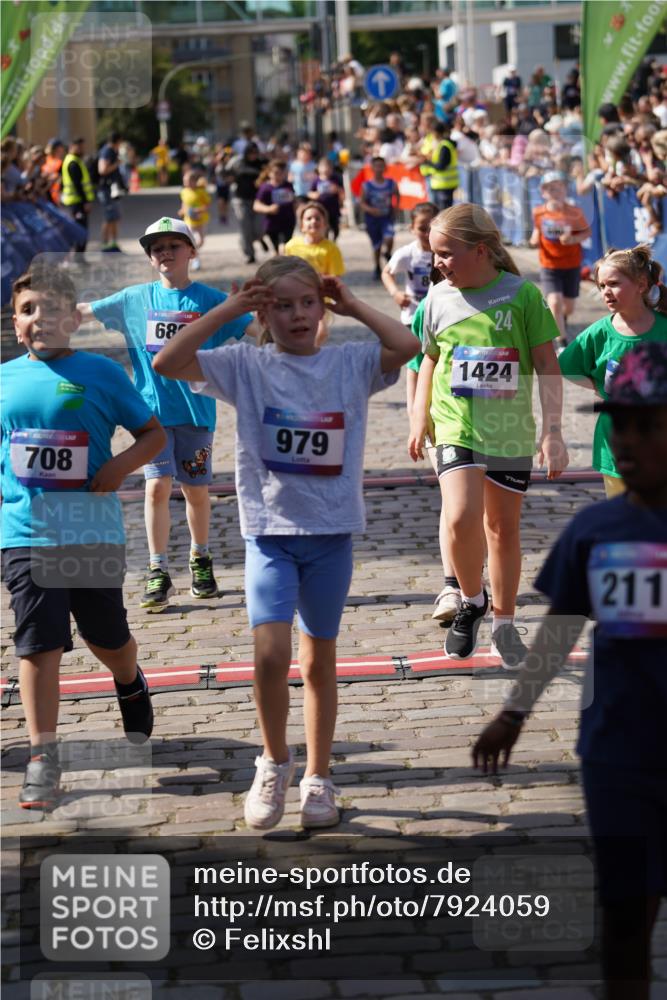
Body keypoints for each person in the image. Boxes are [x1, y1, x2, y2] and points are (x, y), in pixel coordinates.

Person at [152, 257, 419, 830]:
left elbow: (408, 344)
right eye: (282, 305)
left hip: (330, 535)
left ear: (322, 307)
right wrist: (228, 309)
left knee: (319, 662)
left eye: (307, 303)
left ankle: (319, 776)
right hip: (270, 535)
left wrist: (353, 306)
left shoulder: (350, 362)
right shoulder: (245, 365)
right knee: (270, 658)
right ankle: (273, 761)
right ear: (264, 312)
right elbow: (167, 361)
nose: (297, 315)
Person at [472, 341, 667, 1000]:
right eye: (619, 422)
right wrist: (512, 713)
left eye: (649, 424)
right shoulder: (596, 529)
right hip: (617, 752)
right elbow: (558, 630)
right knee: (624, 918)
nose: (629, 439)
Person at [2, 265, 166, 810]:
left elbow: (153, 434)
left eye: (50, 309)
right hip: (25, 529)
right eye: (27, 310)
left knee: (106, 637)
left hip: (89, 526)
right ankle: (43, 758)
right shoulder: (3, 378)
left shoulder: (101, 372)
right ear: (15, 321)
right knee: (38, 640)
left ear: (73, 319)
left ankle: (129, 680)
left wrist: (120, 467)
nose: (38, 319)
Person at [408, 203, 568, 666]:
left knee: (501, 529)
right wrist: (419, 415)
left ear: (480, 250)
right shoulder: (437, 298)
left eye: (446, 253)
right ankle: (470, 598)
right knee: (459, 517)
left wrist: (554, 432)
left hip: (511, 429)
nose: (438, 262)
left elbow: (547, 366)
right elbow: (429, 360)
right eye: (435, 253)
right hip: (456, 422)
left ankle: (502, 621)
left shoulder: (523, 296)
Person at [77, 217, 256, 611]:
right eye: (156, 247)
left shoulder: (209, 300)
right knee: (156, 486)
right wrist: (48, 312)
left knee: (195, 490)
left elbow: (255, 331)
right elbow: (86, 311)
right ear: (149, 258)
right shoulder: (133, 299)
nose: (165, 253)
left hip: (196, 413)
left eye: (174, 245)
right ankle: (158, 569)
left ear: (192, 252)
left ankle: (200, 557)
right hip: (150, 417)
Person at [559, 245, 667, 499]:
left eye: (614, 284)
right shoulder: (599, 333)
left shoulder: (663, 330)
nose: (606, 292)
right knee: (628, 525)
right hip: (618, 449)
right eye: (601, 286)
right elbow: (566, 367)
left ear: (641, 285)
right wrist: (597, 386)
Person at [529, 170, 592, 348]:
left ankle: (561, 319)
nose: (555, 193)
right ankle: (562, 342)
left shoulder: (575, 212)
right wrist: (534, 239)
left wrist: (573, 239)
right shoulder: (539, 213)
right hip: (549, 265)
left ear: (565, 190)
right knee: (554, 302)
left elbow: (587, 231)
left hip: (572, 264)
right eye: (551, 189)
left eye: (559, 188)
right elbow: (537, 230)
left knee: (568, 307)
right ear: (543, 192)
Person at [285, 201, 345, 346]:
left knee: (321, 331)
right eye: (309, 218)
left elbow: (335, 277)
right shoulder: (291, 245)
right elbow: (284, 271)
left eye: (318, 218)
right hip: (294, 296)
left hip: (319, 298)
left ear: (325, 224)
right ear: (302, 225)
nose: (314, 221)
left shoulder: (331, 249)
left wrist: (319, 280)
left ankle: (310, 354)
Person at [360, 156, 399, 281]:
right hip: (372, 219)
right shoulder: (366, 186)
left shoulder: (391, 183)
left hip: (386, 217)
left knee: (389, 237)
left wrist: (395, 208)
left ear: (385, 167)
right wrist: (371, 210)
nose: (379, 168)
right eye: (376, 166)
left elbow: (397, 196)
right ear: (372, 168)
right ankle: (377, 267)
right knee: (376, 245)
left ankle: (387, 253)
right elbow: (362, 202)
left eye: (381, 166)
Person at [229, 142, 267, 264]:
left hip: (259, 200)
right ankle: (249, 254)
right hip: (241, 199)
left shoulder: (262, 164)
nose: (253, 155)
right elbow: (226, 173)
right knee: (245, 228)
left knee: (259, 228)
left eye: (255, 153)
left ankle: (255, 239)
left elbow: (271, 173)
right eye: (251, 153)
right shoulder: (239, 163)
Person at [60, 137, 95, 257]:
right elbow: (77, 184)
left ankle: (79, 257)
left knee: (80, 230)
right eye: (79, 147)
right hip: (77, 202)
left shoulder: (74, 160)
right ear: (72, 146)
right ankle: (78, 258)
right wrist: (86, 202)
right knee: (80, 231)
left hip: (76, 202)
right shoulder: (73, 162)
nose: (82, 149)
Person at [253, 160, 296, 255]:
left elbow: (294, 201)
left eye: (281, 173)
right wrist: (268, 209)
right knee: (277, 250)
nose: (279, 175)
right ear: (269, 173)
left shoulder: (288, 185)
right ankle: (278, 266)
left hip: (288, 221)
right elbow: (256, 205)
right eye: (276, 172)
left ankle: (285, 265)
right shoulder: (265, 188)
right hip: (272, 224)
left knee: (285, 247)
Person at [418, 121, 459, 212]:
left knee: (443, 212)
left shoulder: (445, 146)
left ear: (435, 132)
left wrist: (427, 162)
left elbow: (441, 165)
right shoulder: (442, 145)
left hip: (444, 185)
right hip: (440, 184)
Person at [97, 132, 126, 252]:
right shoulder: (107, 151)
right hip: (106, 189)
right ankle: (104, 244)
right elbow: (102, 170)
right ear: (118, 141)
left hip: (112, 190)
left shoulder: (111, 151)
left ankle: (113, 243)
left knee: (114, 217)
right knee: (109, 217)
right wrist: (116, 164)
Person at [179, 169, 211, 270]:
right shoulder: (184, 192)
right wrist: (182, 210)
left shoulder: (201, 192)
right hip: (189, 220)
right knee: (192, 240)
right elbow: (184, 203)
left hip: (201, 220)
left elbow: (207, 205)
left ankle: (192, 251)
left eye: (187, 181)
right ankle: (195, 260)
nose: (185, 183)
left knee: (201, 241)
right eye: (184, 181)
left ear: (193, 181)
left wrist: (199, 210)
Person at [308, 158, 344, 240]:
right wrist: (315, 195)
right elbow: (310, 193)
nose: (326, 170)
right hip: (321, 208)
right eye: (323, 167)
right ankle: (326, 242)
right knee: (324, 228)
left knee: (335, 227)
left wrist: (337, 190)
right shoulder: (316, 180)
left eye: (328, 168)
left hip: (334, 208)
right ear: (319, 169)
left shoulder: (335, 179)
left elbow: (342, 191)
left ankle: (334, 240)